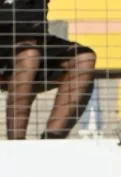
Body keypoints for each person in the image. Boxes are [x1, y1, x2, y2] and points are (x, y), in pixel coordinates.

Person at [0, 0, 96, 139]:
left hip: (37, 40)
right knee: (29, 55)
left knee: (84, 59)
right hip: (6, 42)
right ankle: (16, 144)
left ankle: (51, 140)